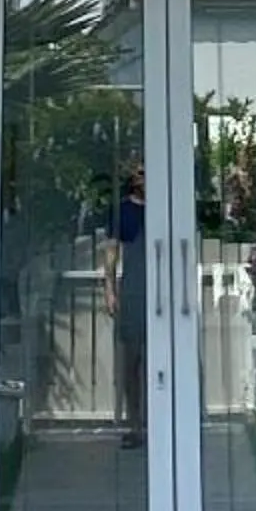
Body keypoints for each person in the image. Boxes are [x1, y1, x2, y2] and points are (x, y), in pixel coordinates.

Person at [112, 161, 149, 447]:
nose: (144, 178)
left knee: (160, 361)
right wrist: (109, 289)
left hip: (163, 292)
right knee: (132, 362)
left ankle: (162, 421)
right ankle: (135, 426)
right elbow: (111, 253)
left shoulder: (164, 205)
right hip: (134, 290)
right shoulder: (124, 211)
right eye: (140, 172)